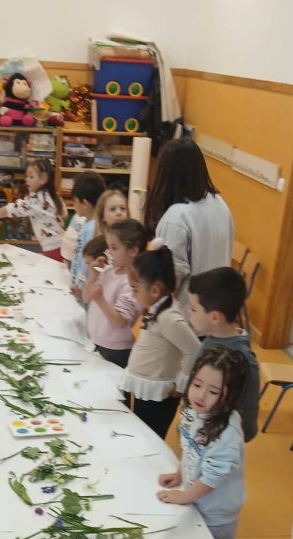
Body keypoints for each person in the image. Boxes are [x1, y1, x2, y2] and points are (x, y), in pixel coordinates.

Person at [157, 347, 248, 539]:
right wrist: (180, 473)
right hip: (195, 497)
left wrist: (184, 496)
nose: (200, 395)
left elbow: (212, 477)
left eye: (214, 392)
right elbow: (189, 446)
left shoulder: (227, 433)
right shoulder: (193, 410)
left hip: (216, 512)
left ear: (231, 396)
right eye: (197, 384)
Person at [143, 139, 234, 312]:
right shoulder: (220, 203)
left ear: (166, 173)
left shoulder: (176, 217)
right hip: (216, 309)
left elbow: (170, 278)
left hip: (185, 316)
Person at [124, 242, 200, 438]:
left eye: (135, 289)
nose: (133, 295)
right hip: (148, 389)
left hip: (159, 395)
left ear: (155, 290)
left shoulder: (169, 317)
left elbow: (195, 349)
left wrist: (181, 384)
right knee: (141, 435)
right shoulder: (158, 307)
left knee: (149, 440)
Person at [188, 267, 260, 442]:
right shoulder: (210, 340)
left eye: (193, 309)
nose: (189, 314)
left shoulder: (245, 360)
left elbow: (247, 414)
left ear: (214, 317)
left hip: (221, 441)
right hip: (199, 428)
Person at [83, 219, 145, 368]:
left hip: (117, 350)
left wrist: (100, 300)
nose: (109, 252)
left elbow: (120, 322)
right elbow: (86, 298)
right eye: (109, 247)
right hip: (98, 342)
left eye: (114, 248)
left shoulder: (133, 283)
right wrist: (92, 276)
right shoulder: (108, 271)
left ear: (133, 251)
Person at [0, 158, 66, 259]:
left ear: (43, 179)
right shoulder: (54, 195)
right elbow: (64, 214)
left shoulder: (34, 199)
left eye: (31, 177)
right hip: (62, 245)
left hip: (53, 249)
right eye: (26, 176)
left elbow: (11, 209)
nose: (27, 179)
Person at [69, 171, 106, 297]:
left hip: (84, 289)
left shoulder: (93, 229)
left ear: (84, 203)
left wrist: (80, 287)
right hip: (79, 286)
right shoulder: (87, 223)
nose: (74, 206)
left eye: (75, 202)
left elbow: (87, 262)